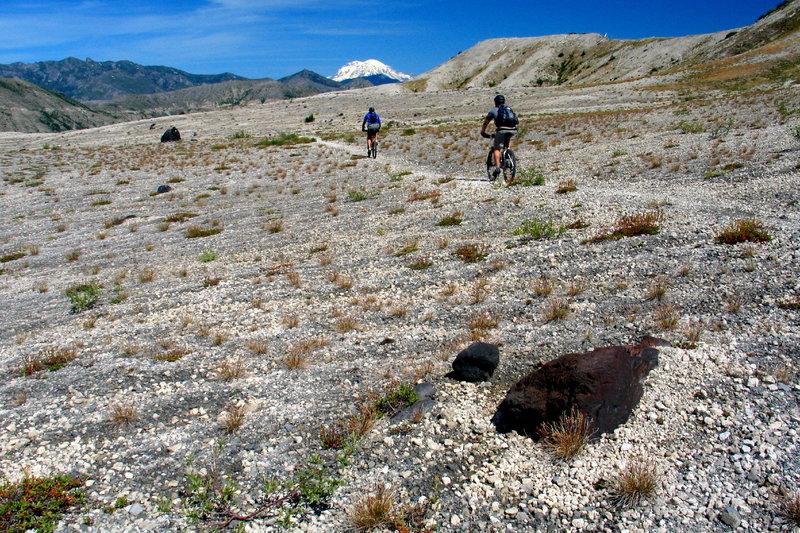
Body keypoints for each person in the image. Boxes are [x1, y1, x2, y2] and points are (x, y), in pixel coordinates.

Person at [481, 94, 517, 178]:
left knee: (496, 148)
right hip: (513, 129)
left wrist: (483, 131)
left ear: (495, 102)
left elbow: (486, 122)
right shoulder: (509, 109)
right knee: (506, 143)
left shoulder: (494, 111)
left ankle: (497, 168)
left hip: (501, 130)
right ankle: (508, 156)